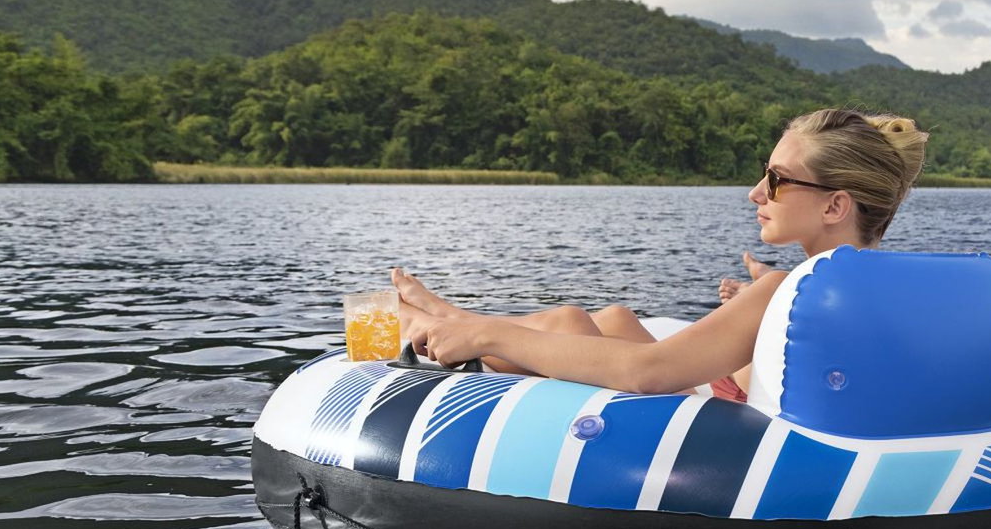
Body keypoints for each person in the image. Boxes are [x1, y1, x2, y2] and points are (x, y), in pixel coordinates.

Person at [394, 108, 928, 397]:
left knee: (569, 322)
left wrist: (489, 335)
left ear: (835, 205)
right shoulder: (874, 279)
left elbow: (648, 373)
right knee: (614, 317)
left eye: (777, 180)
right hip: (734, 393)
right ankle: (451, 318)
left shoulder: (786, 290)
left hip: (724, 429)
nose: (756, 193)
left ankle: (455, 326)